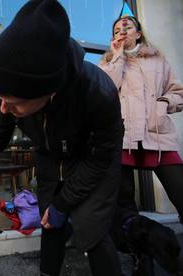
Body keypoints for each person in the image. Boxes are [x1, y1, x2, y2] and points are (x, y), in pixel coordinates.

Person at [0, 1, 124, 275]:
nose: (2, 109)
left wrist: (64, 202)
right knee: (50, 223)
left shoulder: (99, 92)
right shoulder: (11, 93)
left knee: (91, 229)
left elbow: (100, 159)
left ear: (50, 91)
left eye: (13, 103)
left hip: (92, 161)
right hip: (50, 157)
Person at [99, 14, 183, 274]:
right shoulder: (107, 62)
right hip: (123, 136)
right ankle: (141, 261)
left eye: (127, 26)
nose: (122, 30)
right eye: (116, 29)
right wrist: (117, 57)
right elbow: (106, 90)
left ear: (138, 32)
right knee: (125, 204)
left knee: (181, 191)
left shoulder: (158, 59)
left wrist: (164, 103)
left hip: (157, 135)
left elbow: (178, 92)